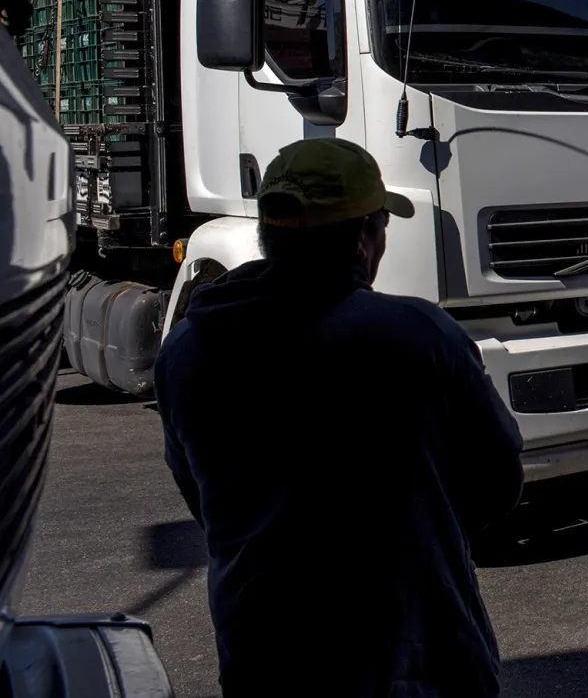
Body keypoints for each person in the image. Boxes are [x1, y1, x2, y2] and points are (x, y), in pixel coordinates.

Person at [154, 138, 525, 697]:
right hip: (415, 656)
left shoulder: (185, 352)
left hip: (265, 656)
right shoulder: (421, 337)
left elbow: (202, 499)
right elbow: (498, 480)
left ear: (268, 234)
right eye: (381, 227)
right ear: (362, 239)